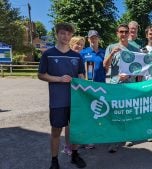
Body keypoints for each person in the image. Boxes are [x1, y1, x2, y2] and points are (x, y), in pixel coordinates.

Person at [38, 23, 87, 169]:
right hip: (57, 101)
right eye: (62, 33)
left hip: (75, 100)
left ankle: (74, 155)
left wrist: (84, 81)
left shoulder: (77, 56)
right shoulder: (48, 54)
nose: (65, 36)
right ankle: (54, 161)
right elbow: (41, 75)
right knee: (56, 131)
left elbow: (81, 76)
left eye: (68, 34)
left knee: (74, 129)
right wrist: (59, 79)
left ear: (71, 35)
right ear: (57, 34)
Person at [103, 23, 140, 152]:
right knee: (115, 112)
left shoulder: (133, 48)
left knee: (128, 110)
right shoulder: (111, 47)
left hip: (129, 84)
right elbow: (105, 66)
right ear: (117, 33)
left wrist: (129, 74)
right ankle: (114, 139)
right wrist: (112, 54)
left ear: (128, 33)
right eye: (121, 32)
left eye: (125, 31)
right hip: (115, 84)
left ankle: (127, 136)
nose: (123, 34)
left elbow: (138, 67)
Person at [61, 36, 86, 156]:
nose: (79, 46)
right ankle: (67, 145)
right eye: (77, 44)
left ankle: (75, 145)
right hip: (66, 92)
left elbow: (81, 74)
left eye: (81, 45)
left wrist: (85, 85)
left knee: (76, 120)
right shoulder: (65, 55)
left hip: (78, 92)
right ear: (71, 44)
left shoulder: (79, 57)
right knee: (68, 123)